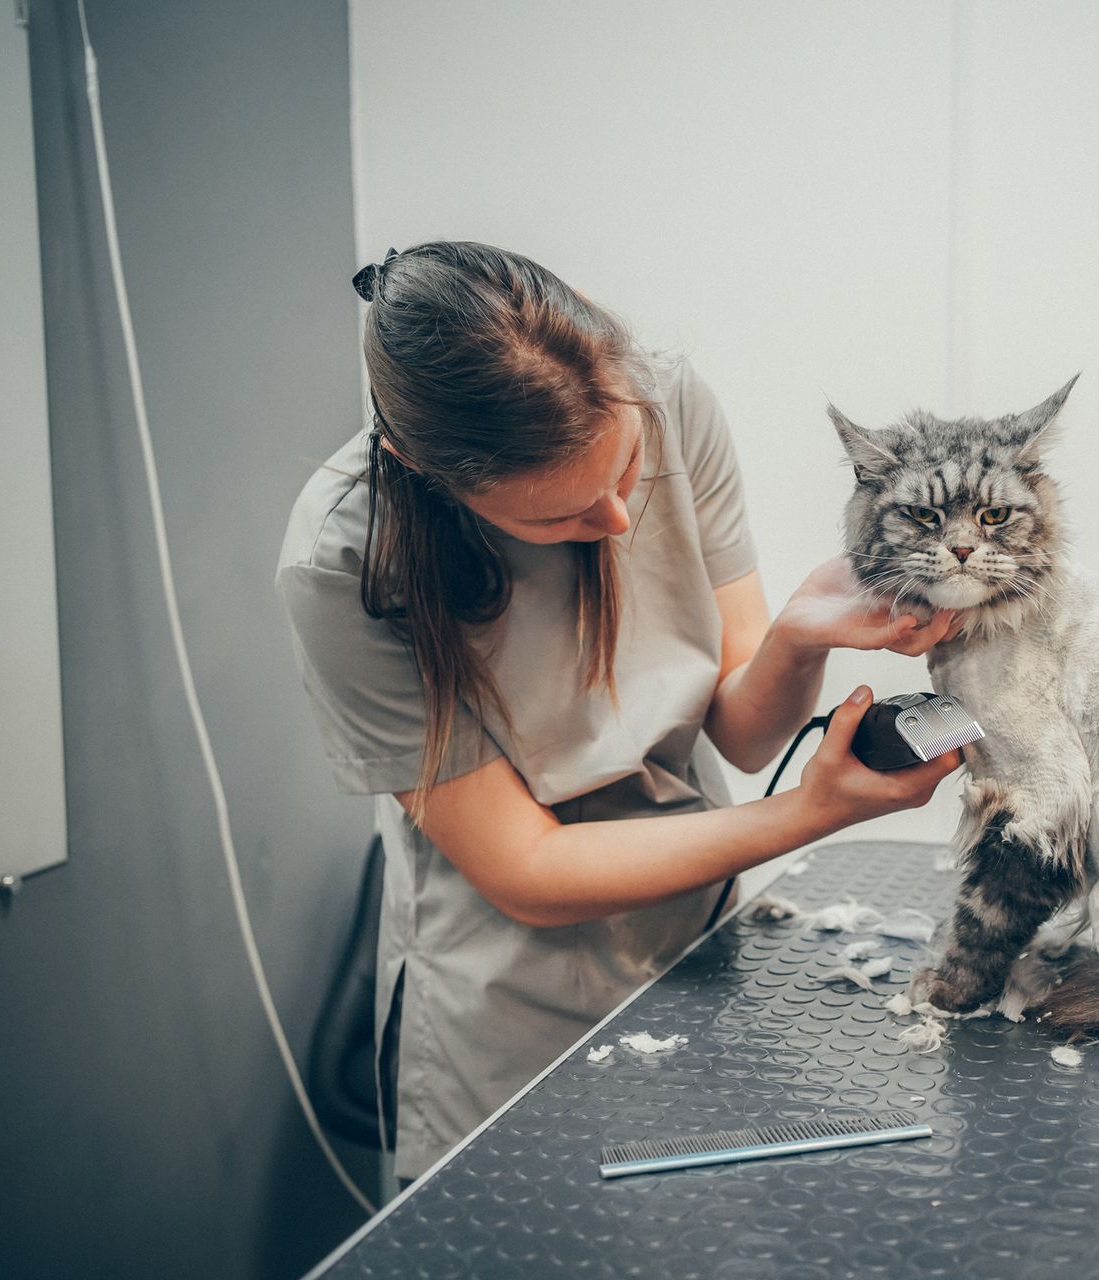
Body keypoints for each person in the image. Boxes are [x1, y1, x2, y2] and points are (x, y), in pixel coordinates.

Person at [274, 241, 961, 1187]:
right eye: (556, 519)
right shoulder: (345, 562)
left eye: (628, 470)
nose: (618, 524)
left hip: (699, 932)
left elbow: (744, 731)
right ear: (422, 469)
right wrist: (807, 815)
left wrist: (799, 638)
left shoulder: (668, 398)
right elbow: (527, 871)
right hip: (510, 991)